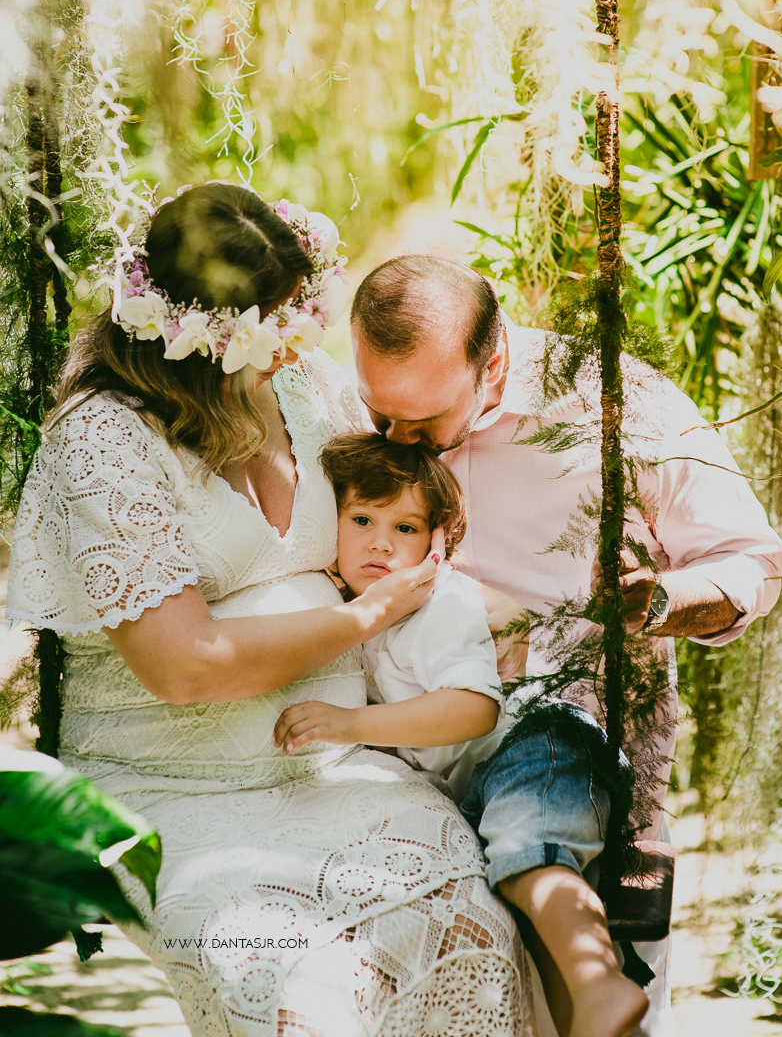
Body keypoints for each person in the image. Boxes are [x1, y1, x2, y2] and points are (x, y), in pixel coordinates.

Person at [6, 188, 540, 1037]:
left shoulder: (304, 387)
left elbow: (403, 508)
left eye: (299, 308)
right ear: (200, 328)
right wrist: (360, 623)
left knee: (463, 933)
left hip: (346, 771)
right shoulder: (105, 436)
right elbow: (183, 665)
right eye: (275, 319)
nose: (298, 333)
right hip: (174, 786)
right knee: (293, 988)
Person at [349, 253, 782, 1037]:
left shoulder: (616, 401)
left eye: (422, 421)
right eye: (381, 414)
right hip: (402, 771)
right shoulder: (370, 416)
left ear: (492, 368)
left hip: (563, 759)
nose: (397, 439)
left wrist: (655, 601)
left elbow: (751, 561)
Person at [274, 431, 650, 1037]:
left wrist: (351, 725)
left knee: (532, 849)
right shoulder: (360, 614)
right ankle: (593, 1018)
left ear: (436, 544)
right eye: (363, 518)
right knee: (524, 897)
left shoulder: (437, 604)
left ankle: (598, 982)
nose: (380, 542)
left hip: (539, 744)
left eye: (406, 528)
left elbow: (473, 710)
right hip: (490, 777)